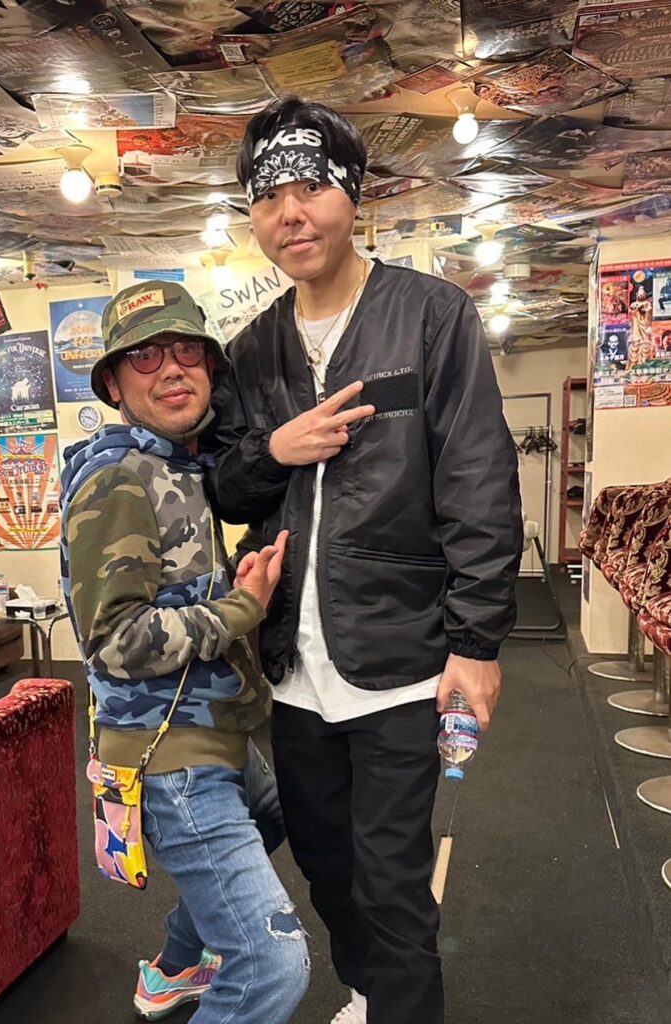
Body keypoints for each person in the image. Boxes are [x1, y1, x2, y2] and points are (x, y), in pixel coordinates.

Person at [205, 98, 523, 1024]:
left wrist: (476, 643)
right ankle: (370, 993)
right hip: (292, 672)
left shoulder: (429, 316)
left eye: (311, 188)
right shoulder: (252, 350)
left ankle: (400, 1005)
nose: (290, 214)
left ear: (352, 195)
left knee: (390, 878)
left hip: (402, 657)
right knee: (323, 862)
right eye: (269, 198)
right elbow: (227, 487)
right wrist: (274, 451)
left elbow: (477, 479)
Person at [59, 280, 309, 1023]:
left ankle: (173, 967)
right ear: (113, 383)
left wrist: (232, 584)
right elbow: (115, 643)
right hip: (169, 759)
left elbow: (171, 589)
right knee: (272, 967)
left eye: (185, 351)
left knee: (276, 815)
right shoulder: (117, 478)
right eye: (144, 356)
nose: (170, 368)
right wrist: (241, 608)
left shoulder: (177, 464)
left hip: (213, 730)